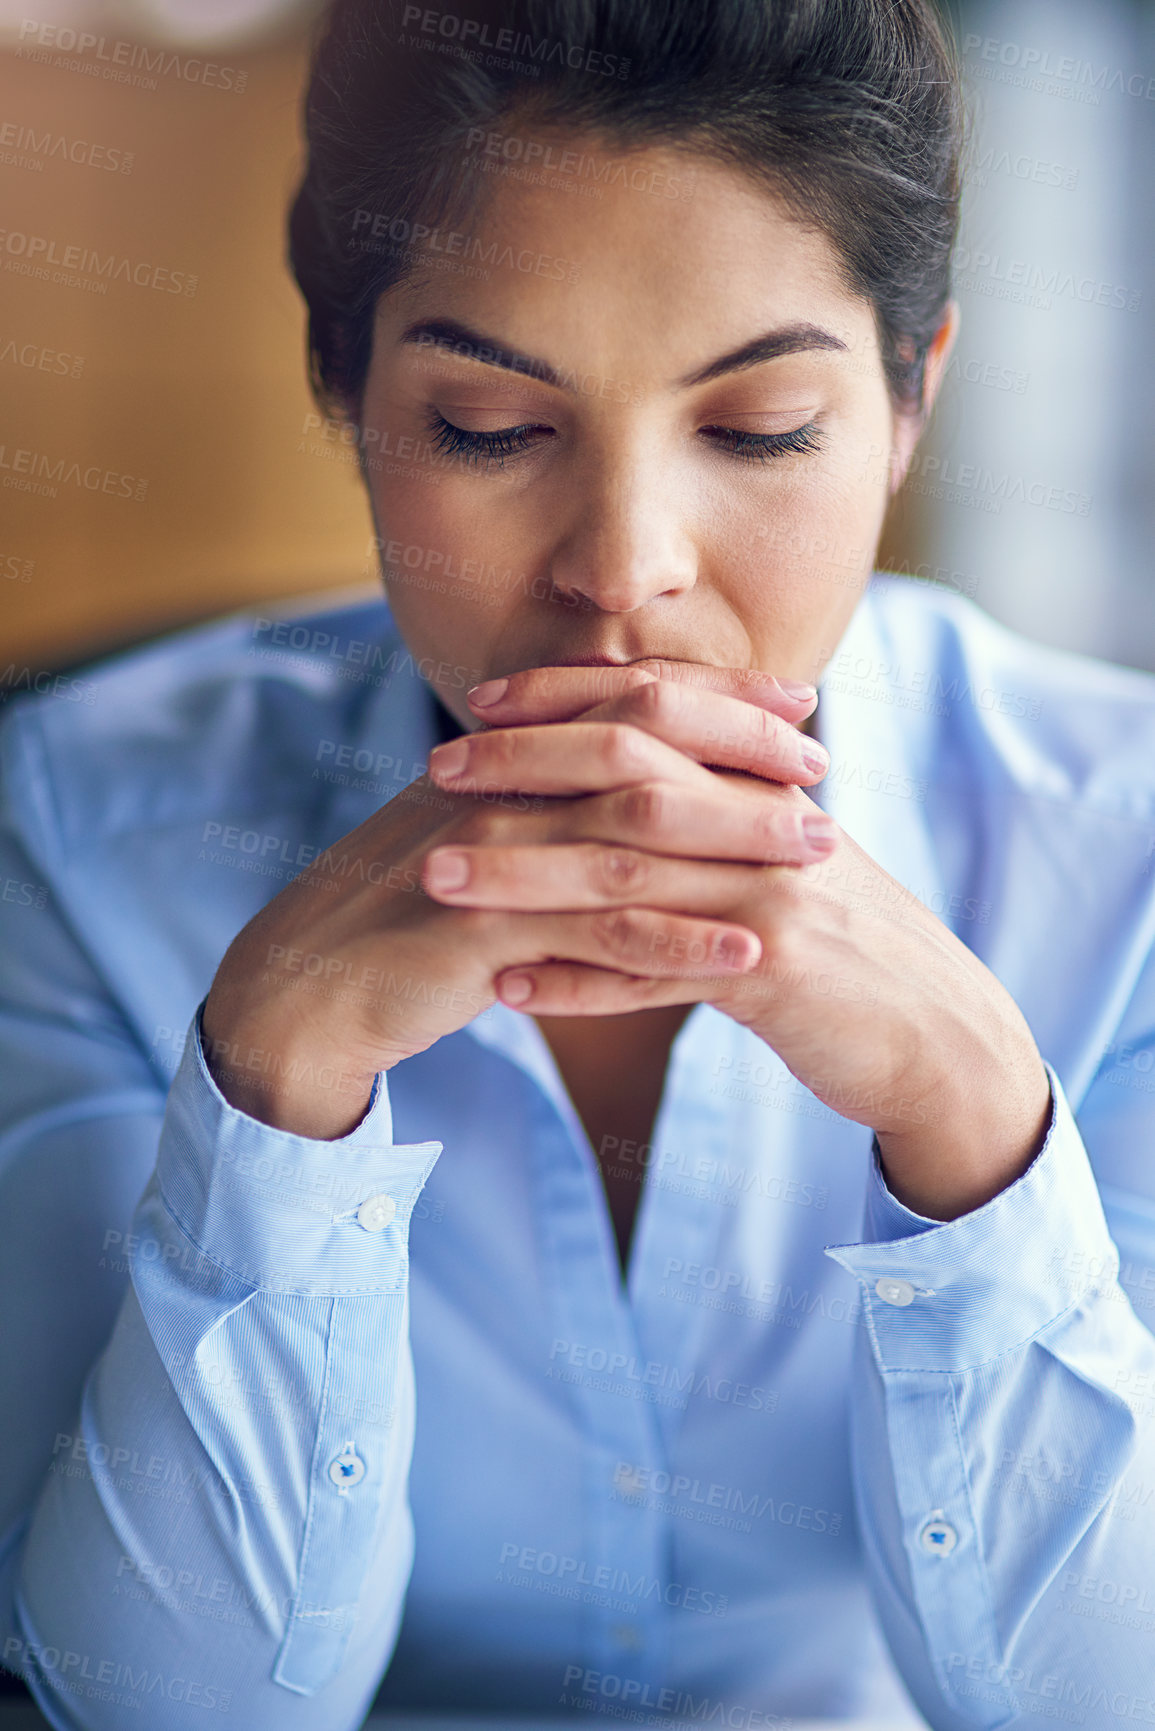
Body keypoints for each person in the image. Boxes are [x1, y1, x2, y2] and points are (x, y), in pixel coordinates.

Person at [3, 0, 1155, 1725]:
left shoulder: (1123, 854)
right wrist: (269, 1104)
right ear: (344, 387)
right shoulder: (82, 834)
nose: (625, 571)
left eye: (760, 428)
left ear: (911, 399)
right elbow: (153, 1705)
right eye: (488, 427)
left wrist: (973, 1119)